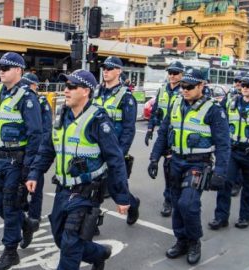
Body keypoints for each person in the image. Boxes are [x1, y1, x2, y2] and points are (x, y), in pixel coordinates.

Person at [27, 69, 130, 270]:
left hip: (86, 192)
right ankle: (99, 254)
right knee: (59, 237)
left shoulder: (98, 119)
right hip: (63, 189)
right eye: (65, 86)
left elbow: (115, 159)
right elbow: (47, 149)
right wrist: (34, 173)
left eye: (71, 87)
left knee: (71, 242)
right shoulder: (61, 116)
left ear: (85, 91)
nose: (66, 91)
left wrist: (122, 196)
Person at [148, 67, 230, 265]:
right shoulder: (176, 103)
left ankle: (194, 242)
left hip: (198, 163)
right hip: (175, 161)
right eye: (183, 85)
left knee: (188, 203)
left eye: (190, 86)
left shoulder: (214, 110)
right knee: (177, 203)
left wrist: (220, 172)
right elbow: (164, 132)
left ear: (202, 85)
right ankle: (181, 240)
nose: (184, 89)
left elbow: (223, 144)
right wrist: (154, 158)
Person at [0, 52, 43, 270]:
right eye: (0, 67)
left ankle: (10, 252)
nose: (1, 71)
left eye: (6, 68)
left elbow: (36, 134)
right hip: (0, 157)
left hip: (17, 160)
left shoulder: (27, 97)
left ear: (18, 70)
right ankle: (26, 224)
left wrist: (29, 167)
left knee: (9, 204)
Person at [210, 70, 249, 230]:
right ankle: (221, 217)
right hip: (232, 151)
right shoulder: (231, 101)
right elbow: (218, 121)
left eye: (248, 85)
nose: (244, 87)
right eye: (242, 84)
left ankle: (245, 217)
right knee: (224, 184)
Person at [93, 56, 140, 226]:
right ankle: (91, 223)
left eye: (110, 68)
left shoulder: (126, 97)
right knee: (91, 187)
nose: (105, 71)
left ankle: (133, 205)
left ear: (119, 71)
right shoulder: (95, 92)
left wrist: (120, 153)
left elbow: (129, 129)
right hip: (93, 148)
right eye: (104, 68)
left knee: (115, 188)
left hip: (113, 149)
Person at [145, 61, 184, 217]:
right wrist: (149, 129)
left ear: (181, 74)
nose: (172, 76)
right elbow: (155, 112)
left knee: (173, 169)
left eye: (175, 73)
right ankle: (169, 199)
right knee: (167, 169)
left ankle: (173, 199)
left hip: (177, 136)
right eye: (170, 73)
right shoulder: (162, 90)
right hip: (163, 135)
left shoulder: (186, 91)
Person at [19, 72, 52, 240]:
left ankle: (35, 217)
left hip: (37, 151)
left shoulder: (40, 101)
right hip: (23, 150)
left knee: (36, 188)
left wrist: (41, 152)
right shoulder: (21, 99)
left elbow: (46, 129)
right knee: (24, 185)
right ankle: (26, 211)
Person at [221, 72, 246, 197]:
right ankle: (229, 182)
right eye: (236, 80)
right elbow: (221, 109)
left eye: (240, 81)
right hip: (229, 133)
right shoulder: (230, 95)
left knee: (239, 164)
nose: (237, 83)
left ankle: (237, 184)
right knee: (228, 161)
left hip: (244, 137)